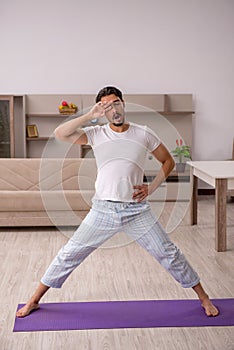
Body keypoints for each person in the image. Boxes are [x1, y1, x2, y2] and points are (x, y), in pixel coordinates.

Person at [16, 86, 219, 318]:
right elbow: (61, 134)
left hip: (136, 210)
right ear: (102, 110)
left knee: (169, 253)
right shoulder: (96, 133)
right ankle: (34, 300)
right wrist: (90, 115)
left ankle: (204, 298)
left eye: (115, 103)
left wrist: (151, 188)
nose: (113, 108)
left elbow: (168, 162)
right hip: (103, 209)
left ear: (123, 104)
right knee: (69, 254)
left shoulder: (143, 133)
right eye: (106, 106)